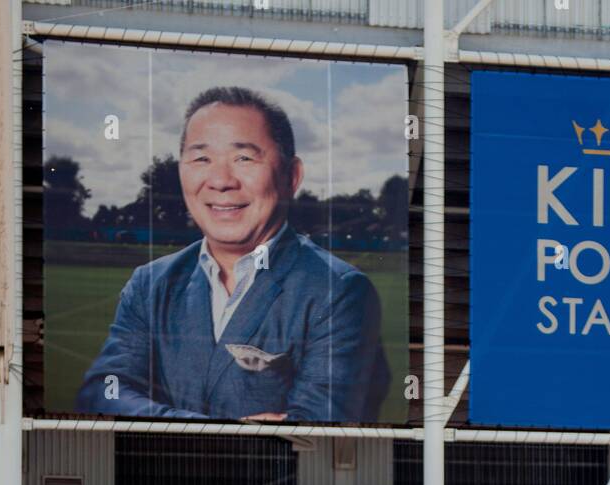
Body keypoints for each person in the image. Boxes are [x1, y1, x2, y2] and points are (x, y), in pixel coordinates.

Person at [75, 87, 391, 423]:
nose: (221, 181)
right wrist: (216, 430)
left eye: (244, 158)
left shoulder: (338, 291)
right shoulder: (149, 283)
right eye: (201, 159)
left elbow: (314, 431)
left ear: (291, 175)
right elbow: (103, 391)